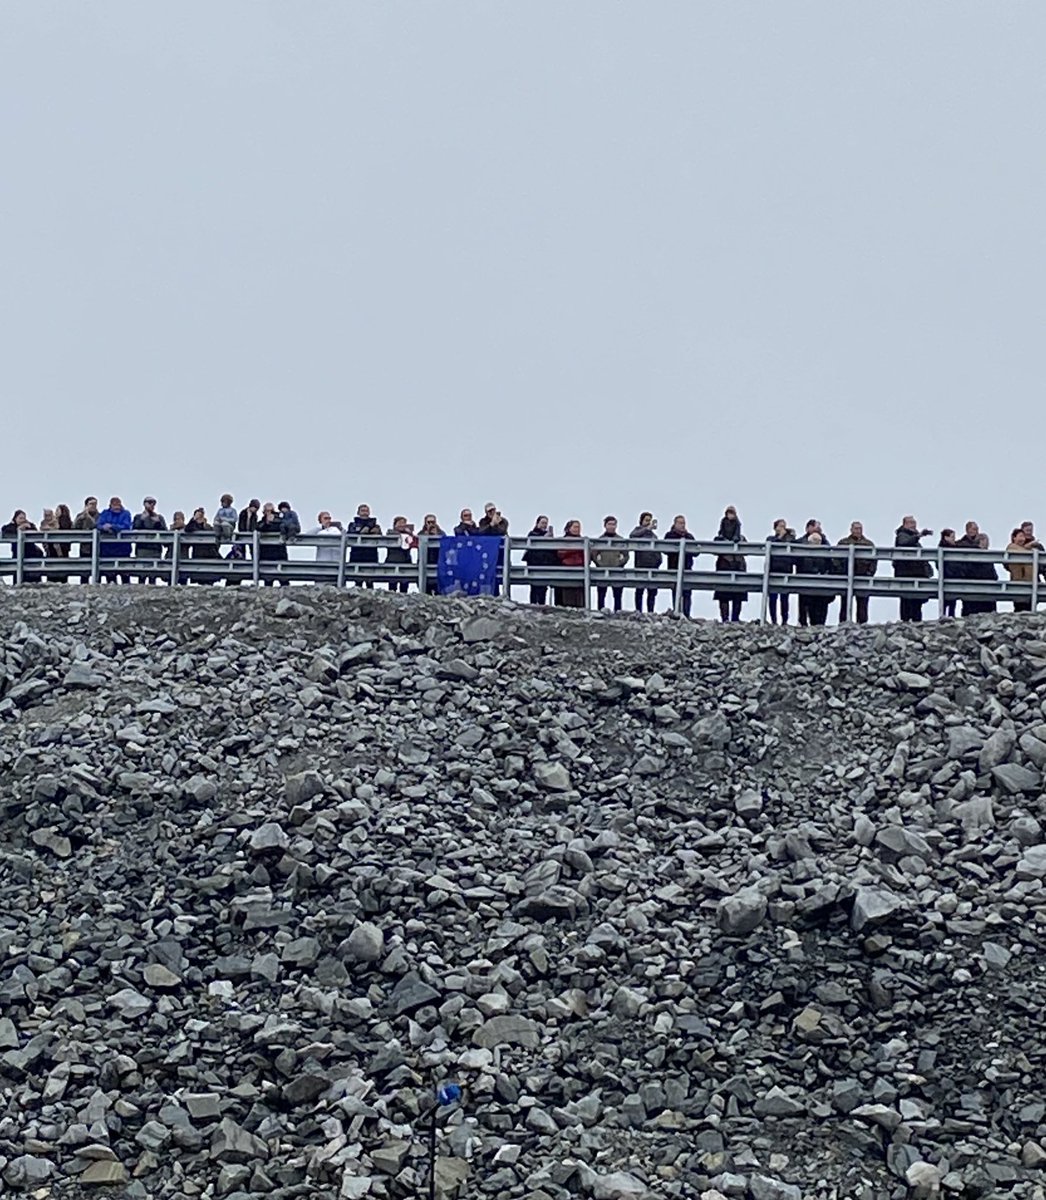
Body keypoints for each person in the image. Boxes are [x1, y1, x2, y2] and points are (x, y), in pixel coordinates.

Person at [894, 516, 933, 622]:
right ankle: (906, 622)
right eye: (911, 522)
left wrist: (928, 571)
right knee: (907, 601)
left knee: (916, 602)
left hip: (916, 573)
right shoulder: (902, 535)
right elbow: (904, 544)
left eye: (914, 522)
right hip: (906, 573)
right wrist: (919, 535)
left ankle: (916, 622)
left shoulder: (914, 538)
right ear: (904, 524)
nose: (913, 525)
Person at [836, 521, 877, 624]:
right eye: (856, 529)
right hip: (846, 577)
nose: (858, 531)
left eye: (860, 529)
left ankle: (862, 623)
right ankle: (843, 622)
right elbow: (836, 558)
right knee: (845, 602)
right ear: (851, 530)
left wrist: (870, 573)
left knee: (863, 602)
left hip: (863, 576)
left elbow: (874, 560)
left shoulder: (869, 544)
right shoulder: (843, 543)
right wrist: (841, 571)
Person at [712, 507, 745, 622]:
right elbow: (714, 551)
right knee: (723, 594)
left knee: (738, 595)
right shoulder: (719, 539)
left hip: (737, 567)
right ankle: (725, 619)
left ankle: (735, 619)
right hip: (724, 566)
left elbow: (746, 550)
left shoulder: (741, 539)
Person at [591, 515, 628, 612]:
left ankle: (618, 612)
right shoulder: (600, 540)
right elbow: (594, 554)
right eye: (609, 524)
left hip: (617, 571)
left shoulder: (620, 540)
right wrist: (599, 564)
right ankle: (600, 612)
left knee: (617, 594)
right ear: (605, 525)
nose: (612, 526)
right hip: (602, 571)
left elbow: (626, 555)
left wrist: (620, 564)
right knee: (601, 594)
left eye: (614, 524)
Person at [665, 514, 698, 618]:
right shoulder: (670, 535)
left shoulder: (689, 536)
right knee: (675, 591)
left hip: (687, 568)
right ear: (674, 524)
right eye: (680, 523)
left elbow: (696, 552)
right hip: (674, 568)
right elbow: (664, 550)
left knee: (687, 592)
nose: (682, 525)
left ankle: (687, 614)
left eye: (683, 523)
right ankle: (676, 612)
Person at [797, 531, 832, 626]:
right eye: (815, 540)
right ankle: (808, 624)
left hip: (822, 585)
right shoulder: (805, 554)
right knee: (810, 606)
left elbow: (830, 566)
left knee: (821, 607)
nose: (817, 542)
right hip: (808, 584)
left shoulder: (825, 553)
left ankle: (820, 624)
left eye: (819, 541)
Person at [96, 497, 133, 584]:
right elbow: (98, 524)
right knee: (110, 575)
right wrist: (103, 528)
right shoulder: (105, 513)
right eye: (114, 504)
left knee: (125, 575)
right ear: (110, 505)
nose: (116, 507)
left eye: (118, 504)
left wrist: (112, 527)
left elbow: (126, 526)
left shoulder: (126, 514)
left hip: (123, 549)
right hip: (108, 549)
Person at [630, 511, 661, 613]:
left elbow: (658, 550)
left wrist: (658, 561)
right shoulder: (637, 531)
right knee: (639, 590)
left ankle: (650, 612)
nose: (649, 523)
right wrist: (646, 529)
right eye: (647, 520)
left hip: (653, 567)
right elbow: (632, 536)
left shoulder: (653, 536)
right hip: (640, 565)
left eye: (650, 521)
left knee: (652, 591)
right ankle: (638, 611)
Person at [132, 496, 168, 584]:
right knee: (141, 574)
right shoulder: (138, 517)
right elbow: (134, 529)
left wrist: (158, 523)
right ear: (144, 504)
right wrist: (142, 519)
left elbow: (165, 533)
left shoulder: (159, 518)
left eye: (153, 503)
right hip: (142, 549)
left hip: (155, 549)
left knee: (153, 574)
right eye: (149, 503)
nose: (151, 505)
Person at [523, 515, 556, 605]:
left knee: (543, 586)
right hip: (534, 562)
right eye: (542, 523)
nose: (544, 525)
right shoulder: (532, 533)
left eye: (546, 523)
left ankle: (542, 604)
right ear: (537, 523)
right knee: (534, 585)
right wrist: (545, 538)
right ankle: (533, 604)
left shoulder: (548, 536)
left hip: (545, 563)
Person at [767, 519, 795, 625]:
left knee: (784, 597)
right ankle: (773, 620)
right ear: (775, 528)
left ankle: (784, 620)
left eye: (784, 526)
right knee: (773, 598)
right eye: (780, 526)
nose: (782, 528)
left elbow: (793, 545)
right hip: (773, 571)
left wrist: (787, 536)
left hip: (785, 570)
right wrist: (779, 538)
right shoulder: (771, 539)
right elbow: (770, 545)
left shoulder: (790, 539)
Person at [963, 532, 998, 616]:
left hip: (974, 593)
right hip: (982, 592)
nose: (988, 544)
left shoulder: (969, 555)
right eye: (987, 541)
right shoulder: (980, 556)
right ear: (981, 541)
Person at [185, 507, 222, 584]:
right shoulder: (193, 526)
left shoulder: (208, 527)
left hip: (210, 553)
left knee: (210, 576)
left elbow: (215, 537)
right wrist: (194, 519)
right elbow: (187, 529)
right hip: (198, 553)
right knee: (200, 577)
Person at [348, 504, 382, 587]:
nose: (365, 513)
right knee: (357, 581)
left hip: (371, 556)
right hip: (357, 555)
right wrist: (361, 532)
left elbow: (381, 539)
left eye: (366, 511)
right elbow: (349, 536)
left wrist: (376, 532)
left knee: (370, 582)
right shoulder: (352, 525)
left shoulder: (376, 526)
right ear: (358, 512)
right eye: (362, 511)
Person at [555, 520, 585, 608]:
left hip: (580, 568)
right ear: (569, 528)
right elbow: (560, 553)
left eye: (579, 527)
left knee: (579, 591)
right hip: (566, 567)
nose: (577, 529)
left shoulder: (583, 541)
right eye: (575, 527)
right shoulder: (563, 541)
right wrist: (575, 548)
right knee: (567, 590)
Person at [256, 502, 287, 585]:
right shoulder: (261, 523)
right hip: (266, 555)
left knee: (284, 580)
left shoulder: (281, 522)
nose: (269, 513)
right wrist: (267, 523)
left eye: (271, 511)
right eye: (266, 511)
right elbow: (258, 529)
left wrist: (273, 522)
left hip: (279, 554)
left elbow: (283, 529)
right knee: (268, 581)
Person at [72, 497, 99, 582]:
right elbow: (74, 528)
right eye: (91, 504)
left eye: (95, 504)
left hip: (97, 546)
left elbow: (97, 526)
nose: (93, 506)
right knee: (84, 570)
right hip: (85, 546)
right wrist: (81, 518)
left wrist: (89, 518)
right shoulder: (80, 516)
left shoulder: (100, 516)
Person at [1006, 528, 1034, 613]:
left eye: (1024, 536)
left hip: (1029, 583)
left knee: (1029, 608)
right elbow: (1023, 554)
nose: (1023, 539)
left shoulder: (1027, 549)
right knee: (1020, 607)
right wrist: (1029, 546)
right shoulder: (1012, 546)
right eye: (1020, 536)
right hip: (1019, 581)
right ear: (1014, 538)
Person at [385, 516, 415, 593]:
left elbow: (414, 541)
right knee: (392, 586)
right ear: (395, 524)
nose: (402, 525)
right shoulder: (390, 532)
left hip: (406, 560)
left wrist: (410, 533)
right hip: (393, 561)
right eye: (400, 523)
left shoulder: (409, 535)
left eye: (404, 523)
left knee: (404, 586)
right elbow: (390, 536)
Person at [418, 514, 444, 594]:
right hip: (426, 560)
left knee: (438, 588)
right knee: (426, 588)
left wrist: (436, 534)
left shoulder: (441, 532)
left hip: (437, 560)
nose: (431, 524)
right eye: (429, 522)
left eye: (433, 522)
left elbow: (445, 541)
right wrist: (427, 534)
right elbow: (419, 540)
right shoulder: (421, 533)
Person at [938, 529, 960, 617]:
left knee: (950, 599)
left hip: (949, 575)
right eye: (952, 537)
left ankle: (946, 616)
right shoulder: (945, 549)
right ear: (946, 537)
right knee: (949, 599)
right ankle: (948, 616)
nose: (954, 539)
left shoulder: (946, 548)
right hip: (949, 575)